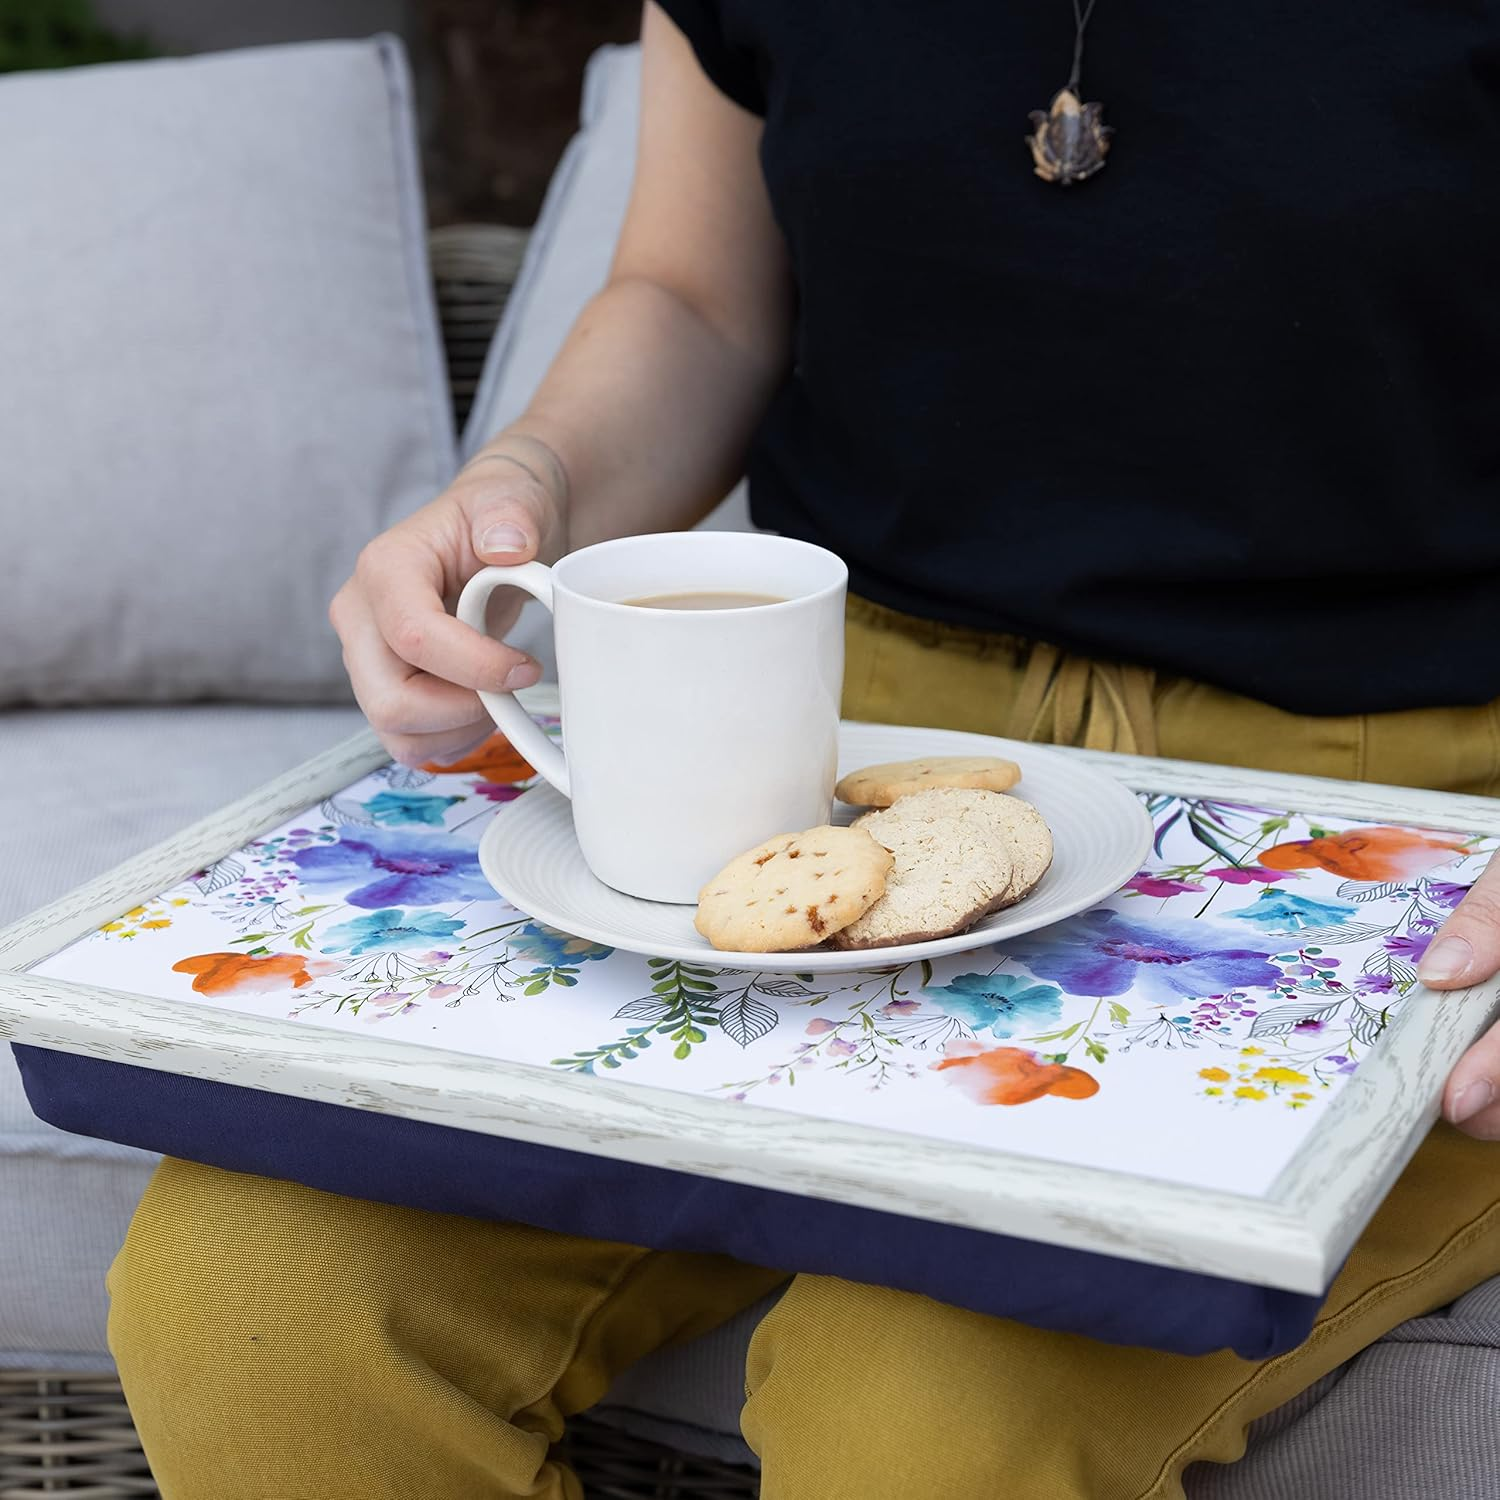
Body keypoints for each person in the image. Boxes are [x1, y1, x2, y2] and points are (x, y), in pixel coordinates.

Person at [108, 4, 1500, 1496]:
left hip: (1398, 830)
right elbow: (698, 298)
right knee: (250, 1305)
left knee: (920, 1429)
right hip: (837, 750)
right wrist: (525, 487)